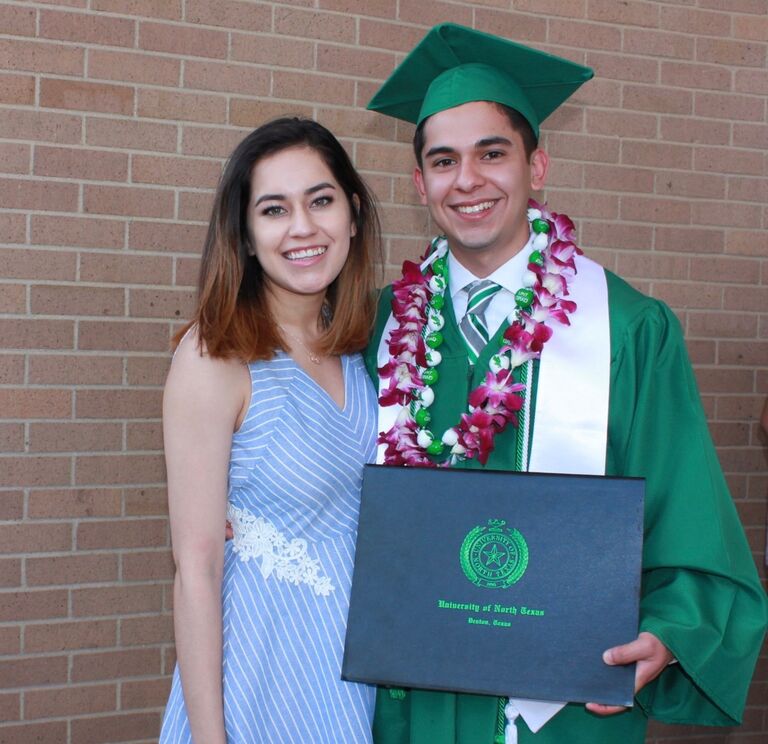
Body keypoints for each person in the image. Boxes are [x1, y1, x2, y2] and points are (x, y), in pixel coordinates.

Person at [363, 23, 768, 744]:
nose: (469, 181)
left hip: (563, 713)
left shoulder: (629, 329)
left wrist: (668, 634)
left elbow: (690, 513)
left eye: (493, 153)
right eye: (444, 161)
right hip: (407, 704)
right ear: (419, 183)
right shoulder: (379, 327)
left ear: (537, 166)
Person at [159, 117, 381, 743]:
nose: (303, 228)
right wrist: (211, 737)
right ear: (248, 237)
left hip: (356, 669)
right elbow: (195, 567)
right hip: (259, 669)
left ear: (354, 213)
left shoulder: (367, 347)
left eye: (321, 200)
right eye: (274, 209)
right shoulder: (215, 357)